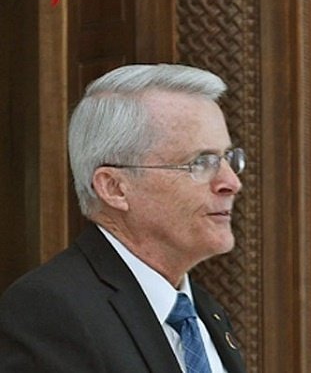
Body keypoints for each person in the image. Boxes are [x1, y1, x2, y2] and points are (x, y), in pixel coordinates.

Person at [0, 64, 247, 372]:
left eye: (228, 159)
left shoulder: (203, 310)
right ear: (114, 188)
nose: (231, 182)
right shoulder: (49, 310)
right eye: (200, 162)